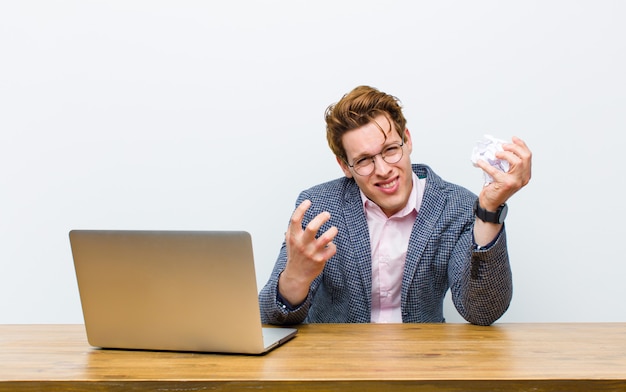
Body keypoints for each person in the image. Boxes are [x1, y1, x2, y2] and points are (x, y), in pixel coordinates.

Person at [259, 85, 532, 326]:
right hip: (337, 368)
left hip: (422, 367)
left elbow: (482, 312)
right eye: (364, 160)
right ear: (345, 166)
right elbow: (272, 317)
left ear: (407, 140)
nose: (383, 170)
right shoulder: (318, 207)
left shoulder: (456, 206)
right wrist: (295, 278)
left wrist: (489, 212)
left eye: (390, 150)